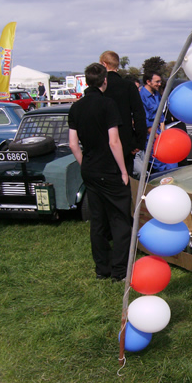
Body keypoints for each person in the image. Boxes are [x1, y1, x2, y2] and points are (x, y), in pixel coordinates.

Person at [68, 63, 131, 282]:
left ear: (86, 81)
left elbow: (73, 144)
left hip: (90, 169)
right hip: (109, 169)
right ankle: (119, 271)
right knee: (120, 220)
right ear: (104, 81)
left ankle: (101, 270)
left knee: (98, 221)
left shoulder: (76, 107)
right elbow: (114, 141)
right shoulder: (107, 104)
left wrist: (85, 163)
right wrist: (123, 171)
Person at [99, 51, 147, 177]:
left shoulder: (99, 87)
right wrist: (139, 142)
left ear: (104, 64)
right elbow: (139, 114)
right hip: (126, 142)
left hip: (102, 141)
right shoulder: (128, 86)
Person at [139, 71, 176, 172]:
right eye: (157, 81)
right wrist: (156, 137)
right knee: (159, 164)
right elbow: (145, 122)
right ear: (148, 82)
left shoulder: (156, 94)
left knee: (171, 162)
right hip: (150, 137)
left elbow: (161, 116)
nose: (159, 84)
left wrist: (163, 134)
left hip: (160, 134)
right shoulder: (141, 96)